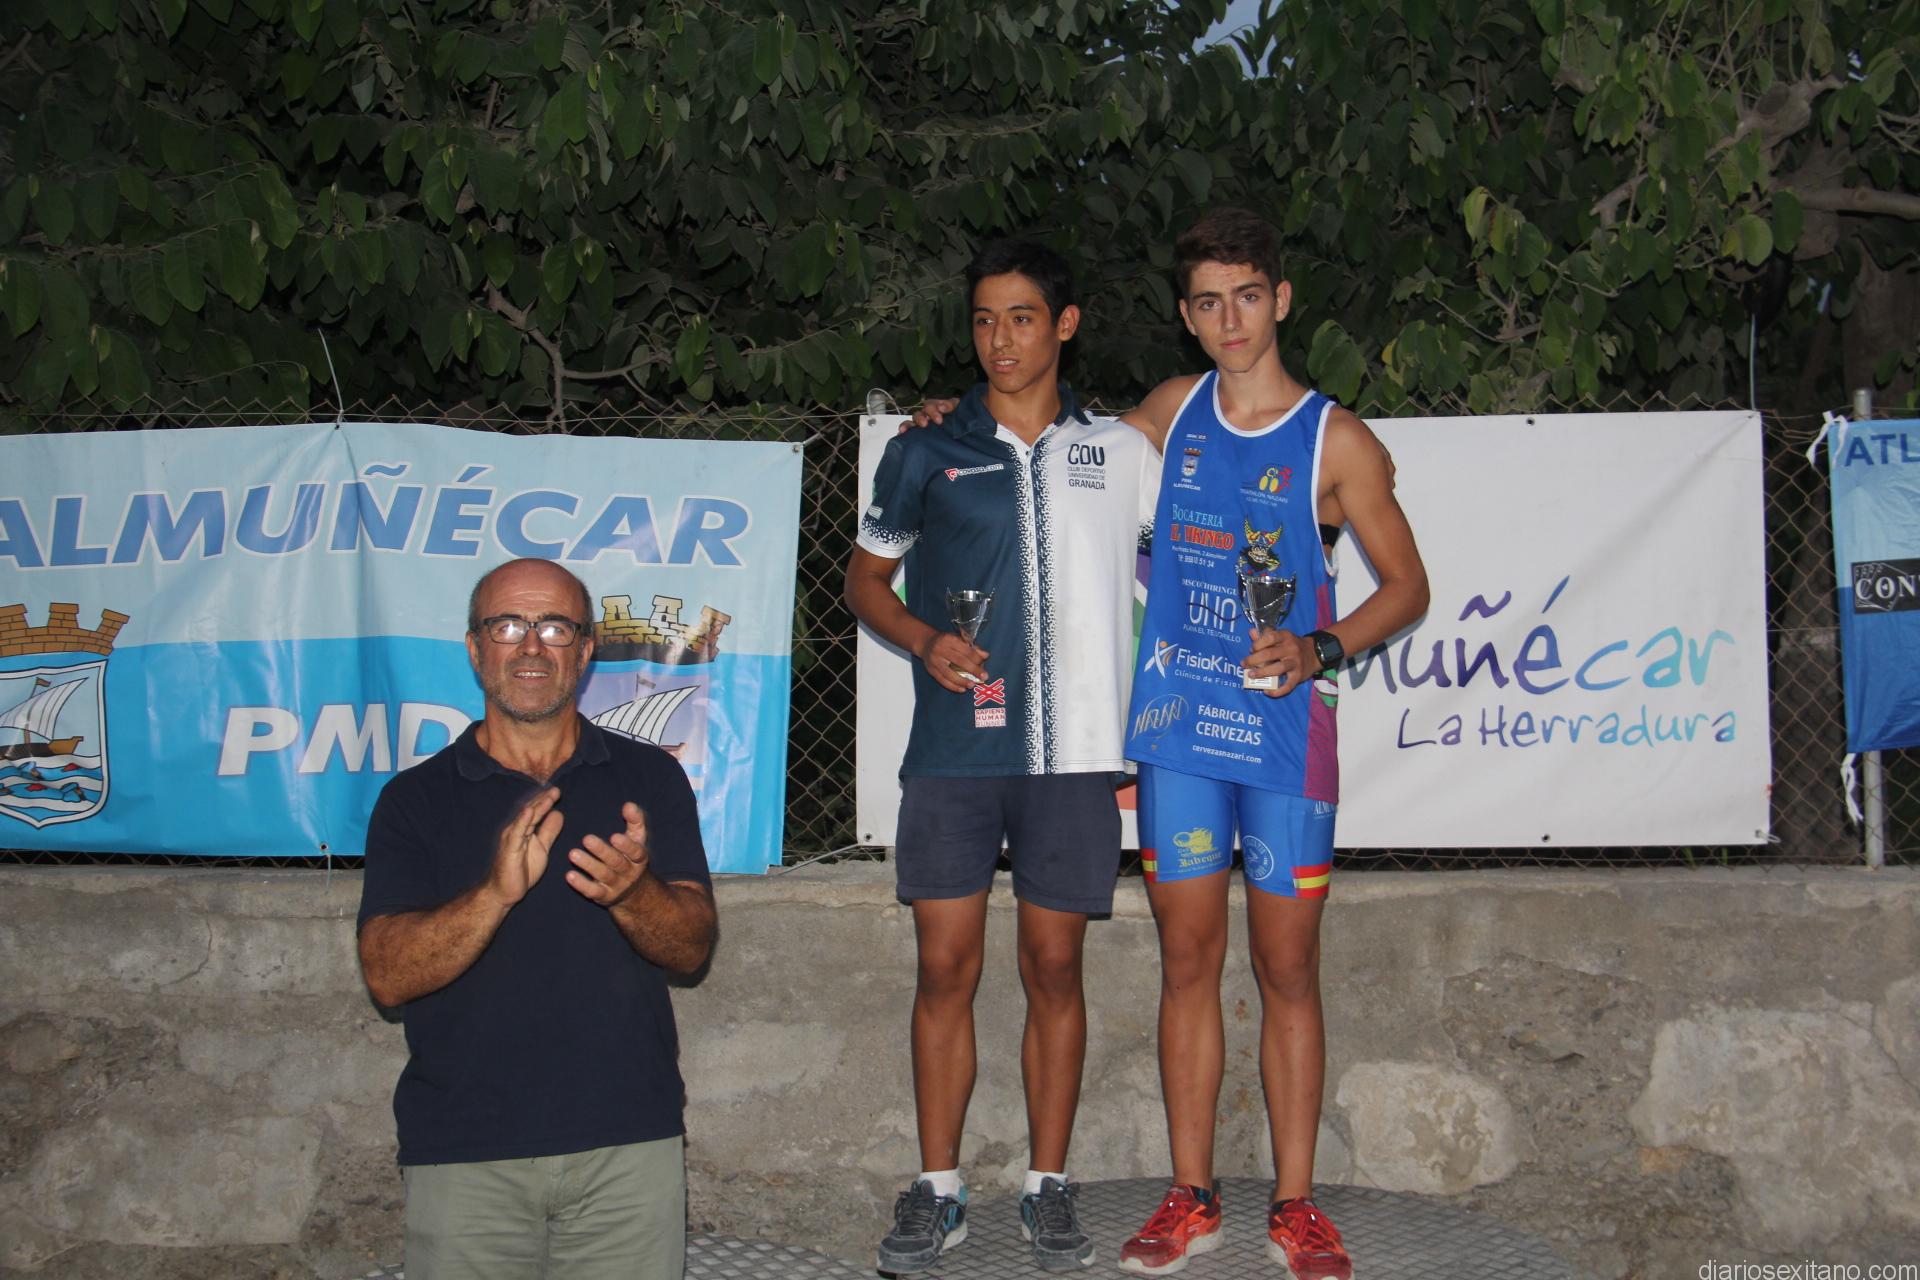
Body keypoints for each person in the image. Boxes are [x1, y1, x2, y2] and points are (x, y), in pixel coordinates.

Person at [1113, 207, 1428, 1280]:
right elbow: (1061, 458)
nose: (1230, 318)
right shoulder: (1170, 412)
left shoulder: (1338, 439)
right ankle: (1191, 1194)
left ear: (1280, 298)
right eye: (1208, 301)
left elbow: (1408, 587)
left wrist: (1322, 644)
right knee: (1188, 960)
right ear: (1187, 314)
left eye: (1247, 295)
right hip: (1181, 731)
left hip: (1289, 736)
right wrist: (955, 420)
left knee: (1287, 966)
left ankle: (1296, 1206)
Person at [844, 239, 1161, 1273]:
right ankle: (938, 1189)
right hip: (953, 751)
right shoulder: (926, 448)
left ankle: (1047, 1185)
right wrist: (923, 638)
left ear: (1064, 324)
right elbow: (864, 581)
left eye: (1022, 317)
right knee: (944, 965)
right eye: (984, 319)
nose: (1000, 338)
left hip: (1075, 755)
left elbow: (1190, 545)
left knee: (1054, 965)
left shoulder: (1120, 451)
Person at [357, 557, 718, 1280]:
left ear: (584, 651)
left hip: (627, 1143)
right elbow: (388, 977)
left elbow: (691, 949)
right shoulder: (414, 800)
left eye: (555, 627)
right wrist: (494, 894)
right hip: (464, 1151)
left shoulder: (649, 778)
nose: (531, 646)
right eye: (507, 626)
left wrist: (631, 893)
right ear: (474, 648)